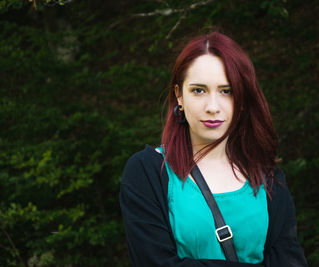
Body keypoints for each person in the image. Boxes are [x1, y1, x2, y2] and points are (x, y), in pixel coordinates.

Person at [119, 32, 308, 266]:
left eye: (226, 91)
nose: (212, 107)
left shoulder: (269, 179)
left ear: (242, 100)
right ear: (179, 95)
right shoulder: (147, 173)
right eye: (199, 90)